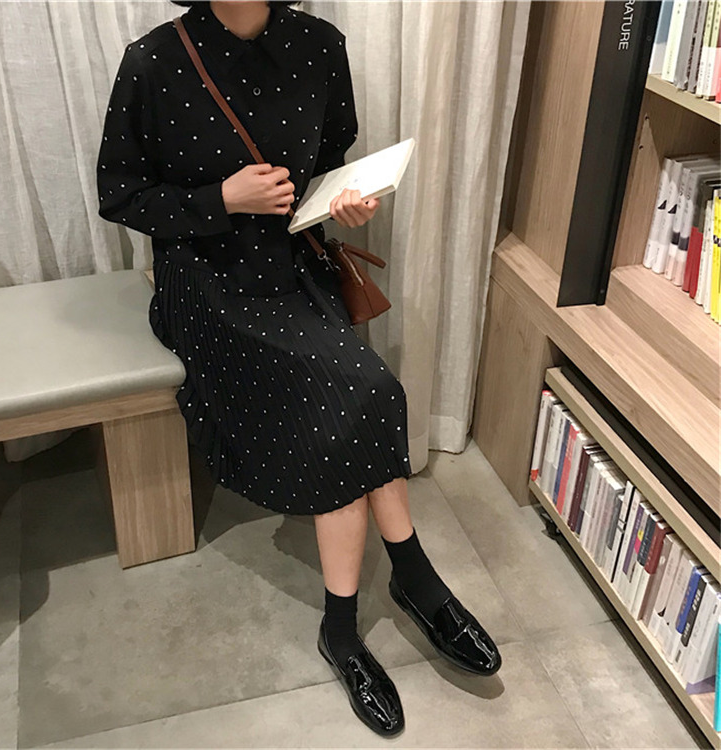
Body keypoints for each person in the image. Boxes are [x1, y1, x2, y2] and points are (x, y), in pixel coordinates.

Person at [96, 0, 501, 736]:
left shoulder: (318, 44)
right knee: (354, 395)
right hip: (207, 284)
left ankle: (375, 604)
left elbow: (328, 163)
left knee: (369, 391)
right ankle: (385, 601)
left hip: (295, 267)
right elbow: (119, 194)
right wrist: (222, 198)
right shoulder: (153, 60)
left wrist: (343, 201)